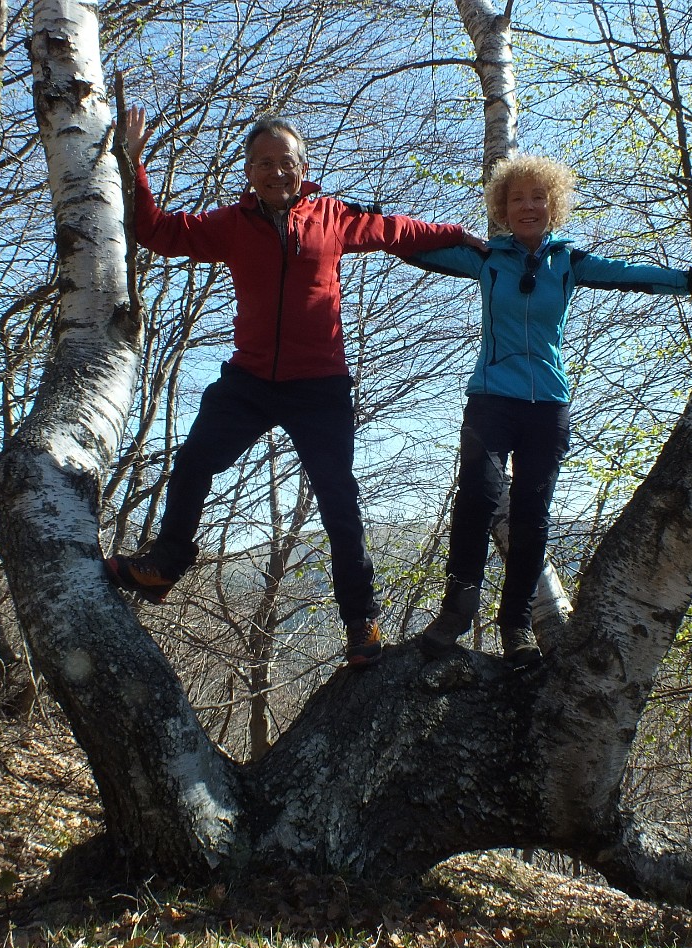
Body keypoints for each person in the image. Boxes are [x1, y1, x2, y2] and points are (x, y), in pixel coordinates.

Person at [105, 107, 486, 668]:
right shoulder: (230, 225)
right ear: (248, 172)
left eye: (285, 161)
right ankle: (165, 564)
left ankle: (361, 624)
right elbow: (156, 231)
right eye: (262, 163)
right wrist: (133, 165)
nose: (274, 172)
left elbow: (398, 230)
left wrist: (457, 235)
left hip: (320, 385)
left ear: (302, 167)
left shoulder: (333, 217)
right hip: (250, 379)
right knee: (193, 462)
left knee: (339, 501)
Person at [406, 154, 692, 668]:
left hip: (548, 407)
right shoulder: (487, 257)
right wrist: (364, 225)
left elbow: (631, 275)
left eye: (538, 196)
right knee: (478, 494)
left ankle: (515, 626)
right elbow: (416, 250)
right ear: (503, 208)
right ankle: (458, 605)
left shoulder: (569, 261)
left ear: (553, 204)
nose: (528, 205)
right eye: (517, 198)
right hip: (492, 397)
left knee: (532, 518)